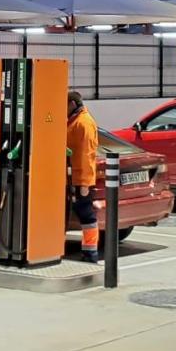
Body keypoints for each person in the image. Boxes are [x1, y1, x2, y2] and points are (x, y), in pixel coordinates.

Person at [66, 89, 100, 263]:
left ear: (72, 104)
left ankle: (91, 252)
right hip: (75, 177)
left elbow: (86, 155)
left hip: (82, 178)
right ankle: (89, 251)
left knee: (85, 213)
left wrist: (85, 183)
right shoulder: (75, 121)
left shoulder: (83, 123)